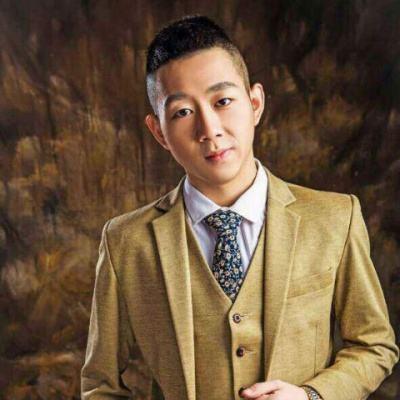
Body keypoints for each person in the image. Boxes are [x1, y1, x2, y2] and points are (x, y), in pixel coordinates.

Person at [80, 14, 399, 400]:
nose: (209, 129)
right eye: (183, 112)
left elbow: (374, 346)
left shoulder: (334, 218)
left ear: (255, 103)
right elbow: (100, 385)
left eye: (223, 101)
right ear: (159, 131)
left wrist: (312, 396)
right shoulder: (125, 242)